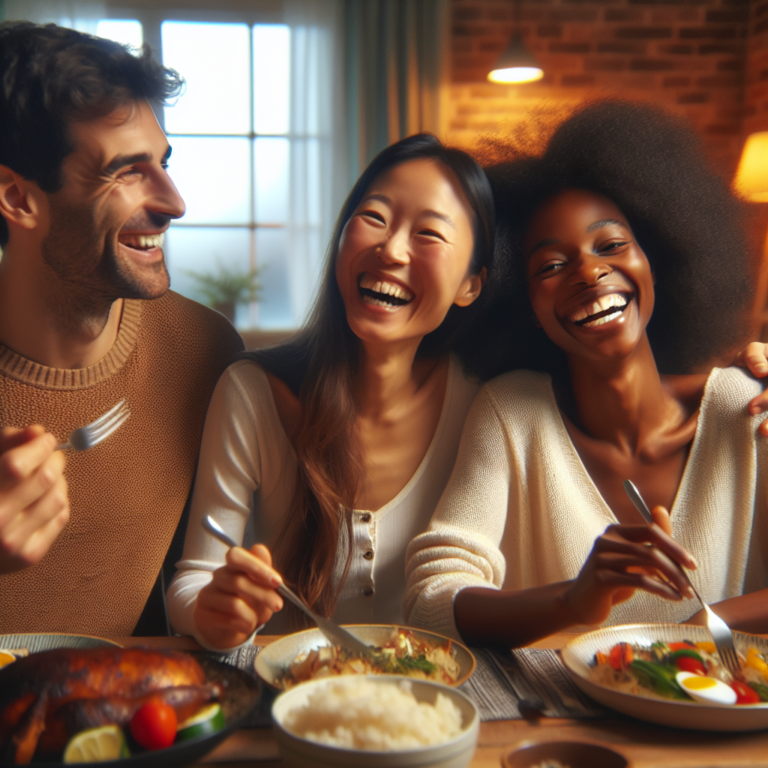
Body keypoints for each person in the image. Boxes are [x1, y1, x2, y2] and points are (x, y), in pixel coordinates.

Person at [404, 100, 768, 648]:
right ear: (525, 303)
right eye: (551, 266)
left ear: (657, 259)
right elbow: (430, 601)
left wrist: (704, 626)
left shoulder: (748, 411)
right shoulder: (514, 411)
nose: (590, 273)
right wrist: (575, 598)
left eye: (612, 245)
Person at [166, 133, 495, 650]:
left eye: (429, 233)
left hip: (433, 702)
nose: (391, 248)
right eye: (374, 218)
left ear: (470, 285)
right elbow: (194, 579)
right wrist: (216, 610)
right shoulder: (252, 393)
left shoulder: (483, 403)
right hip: (292, 698)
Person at [0, 22, 244, 636]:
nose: (174, 201)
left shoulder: (205, 354)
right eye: (127, 171)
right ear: (17, 198)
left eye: (163, 162)